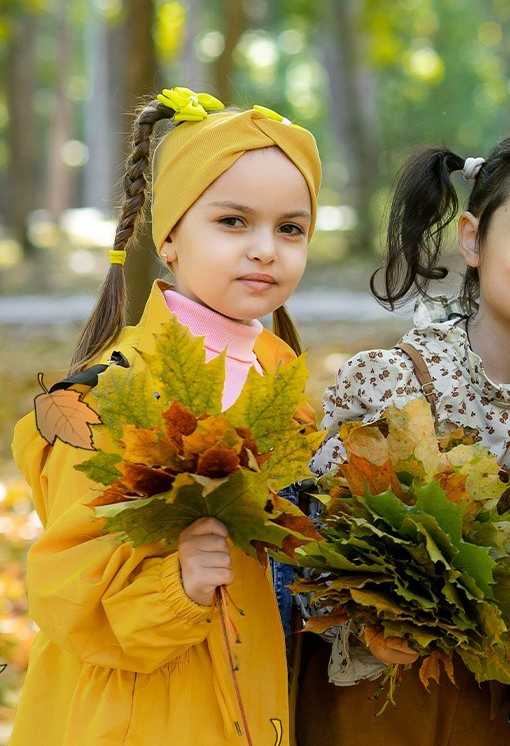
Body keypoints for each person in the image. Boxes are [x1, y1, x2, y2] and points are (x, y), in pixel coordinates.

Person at [294, 126, 510, 746]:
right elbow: (310, 551)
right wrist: (366, 623)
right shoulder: (394, 384)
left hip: (496, 704)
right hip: (375, 697)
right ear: (473, 238)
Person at [11, 88, 322, 745]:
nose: (265, 249)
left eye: (290, 228)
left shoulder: (283, 387)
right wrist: (175, 587)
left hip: (249, 705)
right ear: (171, 235)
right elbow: (64, 584)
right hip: (135, 716)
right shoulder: (111, 394)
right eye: (233, 221)